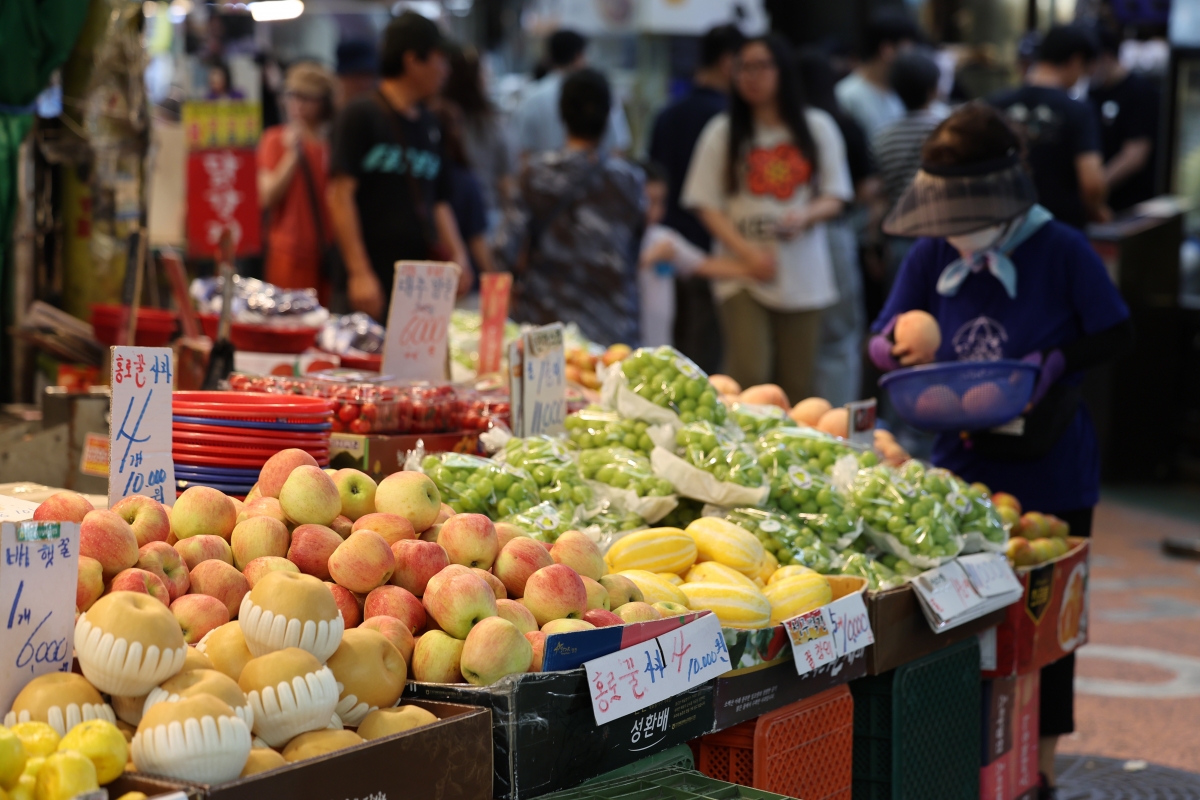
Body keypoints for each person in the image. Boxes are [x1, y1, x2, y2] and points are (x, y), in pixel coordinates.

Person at [867, 105, 1133, 798]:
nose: (956, 230)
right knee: (965, 623)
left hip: (1051, 467)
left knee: (1050, 628)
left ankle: (1038, 770)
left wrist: (1054, 362)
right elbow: (886, 328)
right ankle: (964, 760)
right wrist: (889, 346)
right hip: (962, 462)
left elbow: (1114, 332)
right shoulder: (932, 249)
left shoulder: (1062, 248)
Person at [682, 35, 854, 402]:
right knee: (750, 374)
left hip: (803, 273)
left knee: (796, 385)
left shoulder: (816, 126)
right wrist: (748, 256)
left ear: (783, 71)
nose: (750, 76)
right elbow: (704, 204)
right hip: (741, 272)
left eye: (761, 66)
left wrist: (804, 215)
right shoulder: (722, 131)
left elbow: (836, 197)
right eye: (743, 67)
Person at [327, 12, 471, 322]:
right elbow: (340, 196)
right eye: (439, 59)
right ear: (412, 60)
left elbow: (439, 201)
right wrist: (359, 273)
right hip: (368, 283)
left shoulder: (433, 125)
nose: (445, 70)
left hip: (418, 287)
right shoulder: (360, 114)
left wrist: (459, 254)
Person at [502, 68, 643, 346]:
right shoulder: (630, 181)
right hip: (612, 325)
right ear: (607, 117)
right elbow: (634, 251)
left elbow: (505, 249)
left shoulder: (535, 175)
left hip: (545, 324)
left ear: (562, 114)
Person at [647, 23, 744, 374]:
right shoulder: (729, 120)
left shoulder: (667, 113)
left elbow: (652, 178)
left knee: (669, 345)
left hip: (666, 244)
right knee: (702, 356)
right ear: (727, 62)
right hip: (710, 248)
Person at [797, 47, 875, 407]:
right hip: (835, 234)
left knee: (800, 339)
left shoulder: (788, 124)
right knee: (838, 339)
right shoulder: (842, 121)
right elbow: (865, 187)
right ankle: (839, 422)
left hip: (788, 238)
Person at [639, 162, 774, 348]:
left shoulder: (663, 238)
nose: (654, 210)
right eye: (648, 201)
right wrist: (650, 257)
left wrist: (750, 269)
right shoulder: (615, 238)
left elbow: (703, 264)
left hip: (657, 341)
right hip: (622, 339)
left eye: (660, 202)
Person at [988, 26, 1106, 229]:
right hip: (1058, 229)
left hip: (1001, 230)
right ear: (1076, 61)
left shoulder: (995, 105)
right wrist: (1098, 211)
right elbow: (1092, 184)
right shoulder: (1078, 111)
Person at [257, 62, 336, 303]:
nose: (298, 104)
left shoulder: (333, 144)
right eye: (292, 95)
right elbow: (265, 195)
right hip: (287, 252)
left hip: (328, 251)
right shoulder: (275, 139)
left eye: (307, 97)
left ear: (323, 102)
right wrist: (292, 155)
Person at [509, 30, 631, 163]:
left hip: (543, 180)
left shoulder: (530, 98)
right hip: (595, 178)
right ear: (578, 56)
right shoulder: (600, 92)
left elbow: (521, 153)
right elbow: (618, 149)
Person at [1088, 26, 1160, 213]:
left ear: (1106, 57)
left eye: (1089, 62)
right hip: (1102, 203)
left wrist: (1093, 189)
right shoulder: (1094, 92)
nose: (1087, 71)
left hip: (1132, 204)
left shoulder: (1140, 92)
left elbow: (1135, 156)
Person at [443, 44, 512, 226]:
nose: (488, 77)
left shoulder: (437, 117)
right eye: (484, 72)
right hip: (486, 212)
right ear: (474, 78)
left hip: (446, 216)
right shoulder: (491, 122)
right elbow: (504, 180)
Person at [429, 98, 496, 283]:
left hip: (423, 280)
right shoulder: (464, 180)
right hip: (462, 279)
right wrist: (493, 277)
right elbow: (477, 239)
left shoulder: (420, 176)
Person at [872, 50, 947, 210]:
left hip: (899, 221)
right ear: (933, 91)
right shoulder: (945, 129)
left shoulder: (882, 136)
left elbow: (880, 186)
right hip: (938, 218)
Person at [835, 10, 919, 136]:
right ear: (887, 50)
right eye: (907, 48)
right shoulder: (846, 95)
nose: (912, 56)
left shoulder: (904, 90)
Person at [335, 40, 378, 108]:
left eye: (370, 76)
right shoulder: (328, 114)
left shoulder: (380, 112)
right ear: (342, 76)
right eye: (358, 76)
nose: (365, 83)